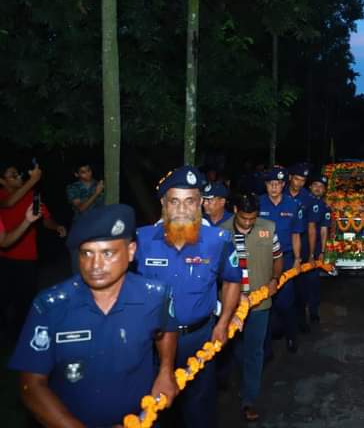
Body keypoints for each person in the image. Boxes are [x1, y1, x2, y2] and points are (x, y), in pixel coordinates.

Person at [8, 204, 179, 427]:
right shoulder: (50, 306)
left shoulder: (156, 296)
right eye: (87, 253)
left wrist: (166, 369)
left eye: (107, 253)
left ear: (130, 252)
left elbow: (167, 328)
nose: (94, 265)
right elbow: (31, 384)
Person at [135, 165, 241, 428]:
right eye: (175, 201)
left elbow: (232, 281)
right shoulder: (141, 240)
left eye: (190, 201)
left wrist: (223, 322)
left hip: (199, 338)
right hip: (152, 343)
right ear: (163, 204)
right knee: (153, 410)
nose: (182, 209)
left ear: (200, 205)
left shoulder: (218, 239)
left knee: (199, 410)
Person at [220, 192, 283, 422]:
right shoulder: (221, 232)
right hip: (230, 306)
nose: (248, 223)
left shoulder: (269, 228)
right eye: (244, 218)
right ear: (236, 210)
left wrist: (275, 279)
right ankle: (242, 378)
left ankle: (249, 400)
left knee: (254, 351)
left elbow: (278, 257)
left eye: (252, 218)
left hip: (259, 304)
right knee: (235, 348)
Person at [1, 162, 67, 337]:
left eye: (18, 174)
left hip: (28, 257)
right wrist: (34, 179)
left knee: (24, 302)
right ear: (2, 181)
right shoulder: (3, 195)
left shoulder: (31, 196)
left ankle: (19, 338)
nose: (18, 177)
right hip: (4, 257)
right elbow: (8, 203)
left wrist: (56, 227)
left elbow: (45, 218)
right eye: (12, 175)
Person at [259, 167, 302, 353]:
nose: (274, 187)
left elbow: (296, 235)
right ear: (266, 185)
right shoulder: (258, 204)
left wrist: (298, 259)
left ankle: (291, 337)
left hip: (285, 259)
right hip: (262, 260)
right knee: (263, 302)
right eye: (270, 184)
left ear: (284, 185)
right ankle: (266, 346)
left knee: (286, 302)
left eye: (278, 184)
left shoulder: (292, 205)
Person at [285, 163, 315, 332]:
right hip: (282, 241)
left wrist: (311, 253)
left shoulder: (307, 198)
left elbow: (311, 226)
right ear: (290, 178)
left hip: (301, 241)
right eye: (297, 179)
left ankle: (301, 321)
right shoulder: (280, 193)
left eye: (303, 180)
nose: (300, 183)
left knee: (301, 285)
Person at [301, 173, 331, 324]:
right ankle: (299, 313)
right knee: (299, 281)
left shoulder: (325, 207)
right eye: (316, 185)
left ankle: (313, 311)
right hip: (300, 245)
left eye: (322, 187)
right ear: (310, 187)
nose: (318, 189)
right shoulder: (301, 201)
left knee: (313, 281)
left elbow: (324, 229)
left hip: (315, 246)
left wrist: (322, 252)